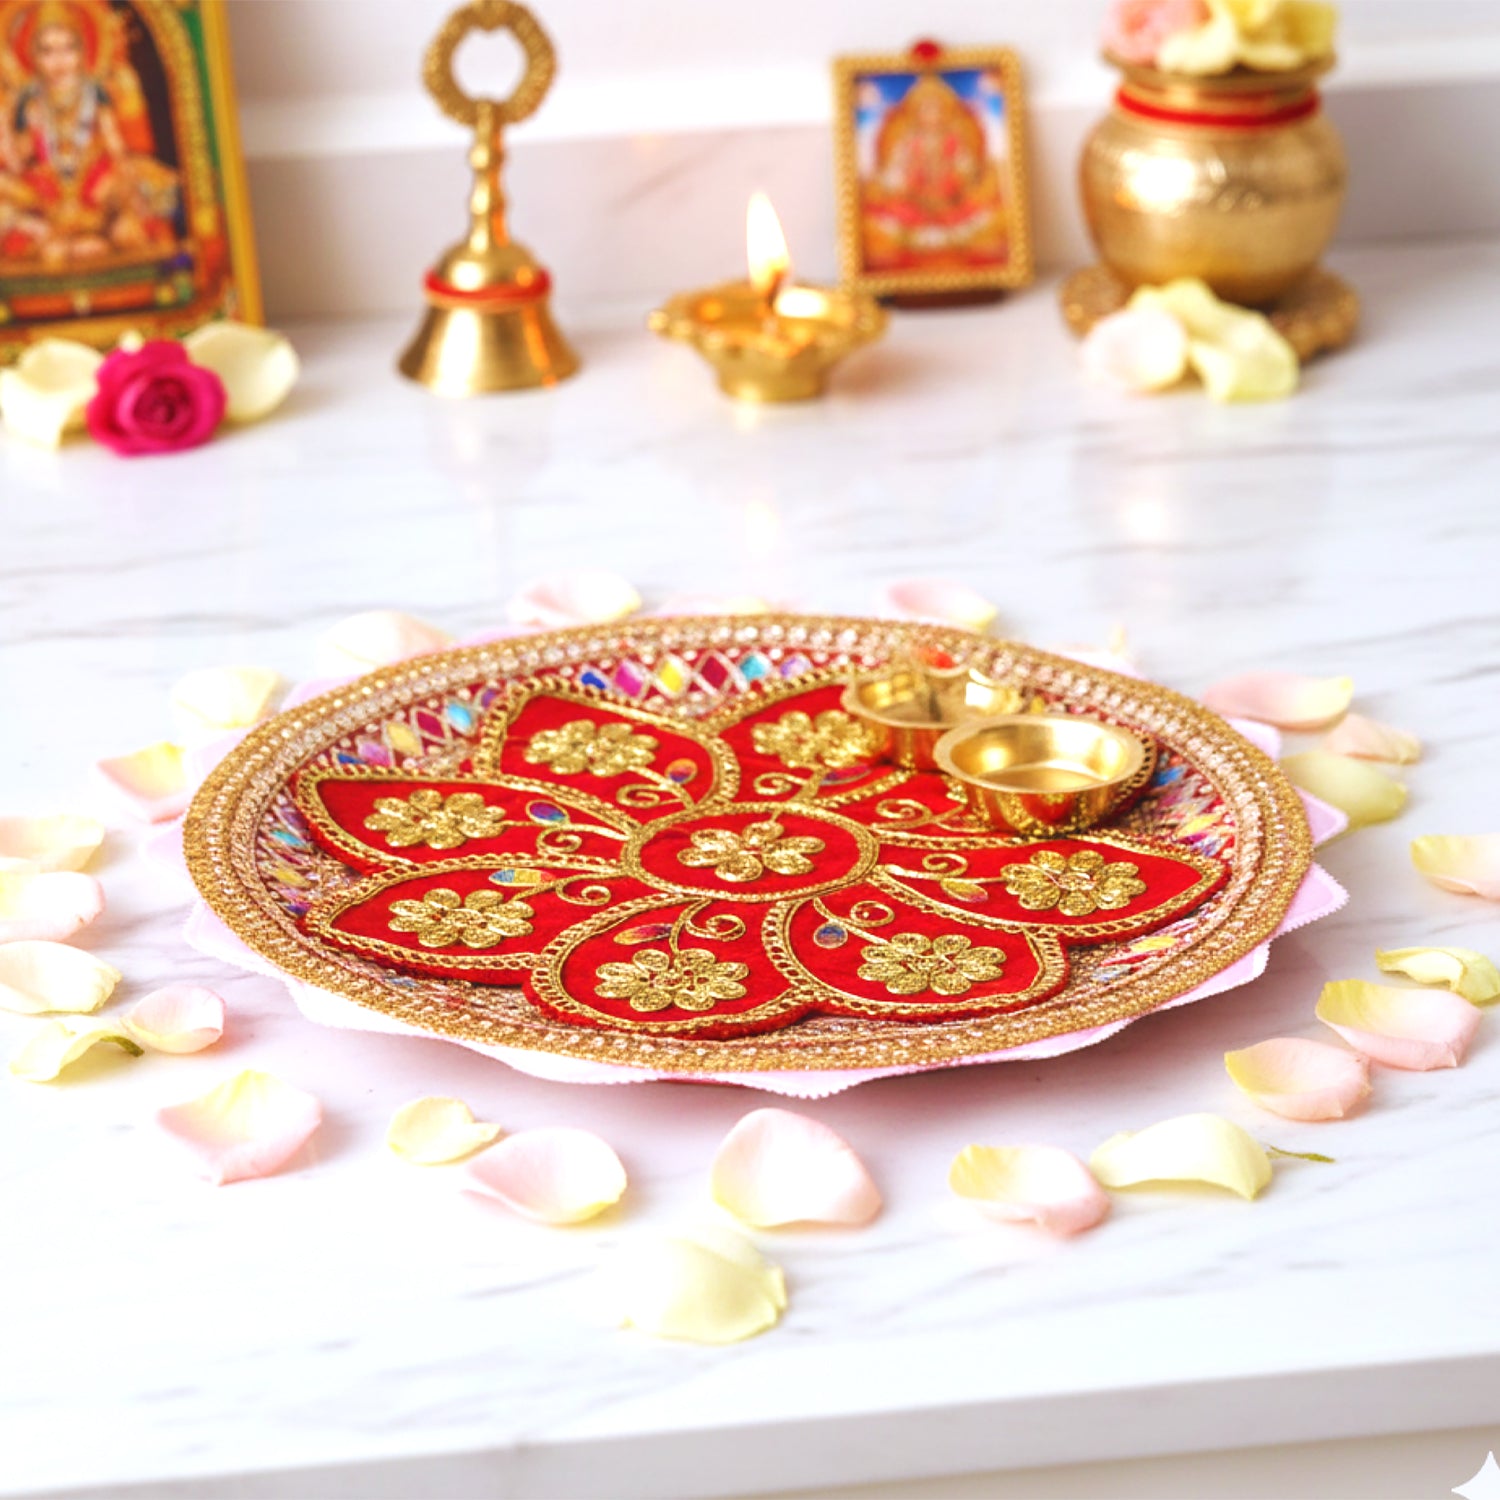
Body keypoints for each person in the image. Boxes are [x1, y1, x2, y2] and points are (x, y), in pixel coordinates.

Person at [1, 0, 176, 266]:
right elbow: (18, 164)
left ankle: (88, 241)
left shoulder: (97, 95)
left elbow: (117, 150)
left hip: (95, 186)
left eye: (68, 49)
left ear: (83, 52)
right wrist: (6, 129)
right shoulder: (29, 103)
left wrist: (119, 188)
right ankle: (63, 243)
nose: (59, 61)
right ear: (32, 56)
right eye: (47, 51)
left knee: (137, 213)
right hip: (47, 195)